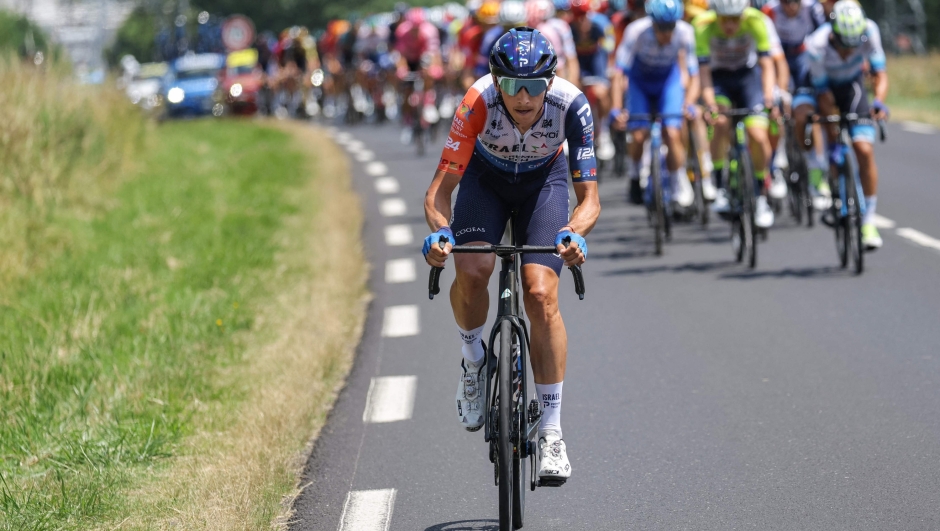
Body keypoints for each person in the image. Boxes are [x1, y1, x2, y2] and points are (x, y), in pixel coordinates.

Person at [422, 27, 600, 484]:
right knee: (474, 267)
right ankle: (474, 359)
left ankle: (553, 433)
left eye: (536, 86)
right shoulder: (477, 100)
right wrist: (442, 234)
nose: (524, 97)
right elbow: (440, 192)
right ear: (495, 80)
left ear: (551, 81)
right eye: (512, 86)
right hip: (486, 180)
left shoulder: (572, 104)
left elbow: (590, 199)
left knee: (540, 293)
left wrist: (574, 233)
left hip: (545, 183)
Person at [795, 0, 888, 248]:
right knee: (809, 120)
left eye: (853, 46)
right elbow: (825, 97)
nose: (848, 52)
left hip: (851, 84)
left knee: (864, 150)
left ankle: (868, 220)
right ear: (833, 33)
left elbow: (880, 73)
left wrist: (879, 101)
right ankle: (819, 169)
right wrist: (833, 135)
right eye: (843, 46)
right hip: (819, 86)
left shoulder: (869, 30)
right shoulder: (817, 44)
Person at [693, 0, 778, 228]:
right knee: (720, 122)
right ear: (715, 16)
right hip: (718, 79)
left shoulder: (757, 20)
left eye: (735, 19)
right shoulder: (702, 26)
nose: (730, 25)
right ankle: (721, 185)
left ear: (743, 14)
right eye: (724, 19)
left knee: (758, 135)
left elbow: (767, 65)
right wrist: (710, 103)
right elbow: (703, 73)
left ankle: (760, 195)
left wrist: (769, 96)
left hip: (747, 78)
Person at [610, 0, 700, 208]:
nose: (667, 33)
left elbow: (695, 75)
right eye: (662, 27)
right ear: (652, 23)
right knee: (639, 134)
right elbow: (618, 73)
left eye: (671, 27)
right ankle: (635, 175)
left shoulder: (685, 32)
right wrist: (616, 108)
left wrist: (690, 103)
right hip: (640, 83)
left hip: (668, 82)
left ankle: (678, 182)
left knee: (673, 131)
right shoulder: (636, 32)